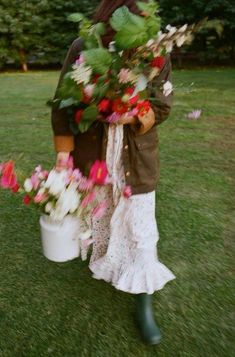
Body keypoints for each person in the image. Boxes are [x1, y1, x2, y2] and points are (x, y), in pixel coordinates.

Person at [51, 0, 175, 345]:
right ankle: (109, 265)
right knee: (102, 216)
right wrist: (64, 157)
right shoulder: (84, 46)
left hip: (137, 159)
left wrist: (134, 114)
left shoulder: (156, 50)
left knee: (139, 227)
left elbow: (163, 106)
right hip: (95, 154)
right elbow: (63, 105)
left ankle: (143, 303)